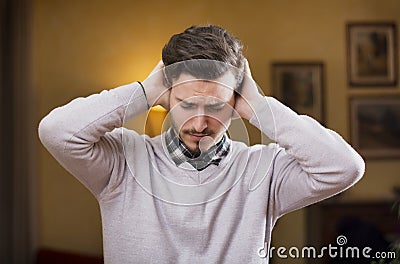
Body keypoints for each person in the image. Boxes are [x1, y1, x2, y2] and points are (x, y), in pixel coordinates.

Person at [38, 25, 365, 264]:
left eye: (215, 107)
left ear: (237, 103)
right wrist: (143, 92)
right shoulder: (121, 163)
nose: (198, 123)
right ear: (165, 97)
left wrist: (260, 107)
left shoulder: (264, 172)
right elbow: (56, 131)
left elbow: (345, 167)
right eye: (186, 104)